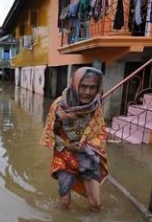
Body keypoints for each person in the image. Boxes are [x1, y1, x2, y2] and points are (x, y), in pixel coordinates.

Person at [40, 67, 108, 211]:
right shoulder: (59, 105)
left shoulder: (95, 106)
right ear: (75, 84)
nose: (87, 92)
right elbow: (50, 136)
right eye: (83, 86)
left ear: (97, 88)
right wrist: (67, 145)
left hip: (87, 155)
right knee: (64, 202)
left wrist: (86, 146)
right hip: (65, 157)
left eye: (92, 87)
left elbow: (99, 134)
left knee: (96, 204)